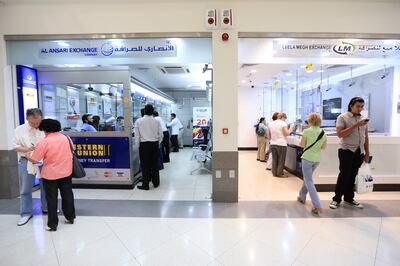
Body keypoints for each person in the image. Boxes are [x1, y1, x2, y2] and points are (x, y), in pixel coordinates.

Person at [27, 119, 76, 231]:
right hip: (66, 172)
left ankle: (52, 224)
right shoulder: (66, 138)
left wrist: (27, 155)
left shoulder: (44, 142)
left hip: (50, 175)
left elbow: (35, 159)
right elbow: (72, 149)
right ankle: (70, 217)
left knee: (51, 199)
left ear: (45, 129)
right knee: (68, 195)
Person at [330, 97, 370, 210]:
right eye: (358, 106)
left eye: (362, 106)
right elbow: (340, 134)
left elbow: (365, 136)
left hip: (359, 152)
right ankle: (336, 199)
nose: (360, 109)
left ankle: (349, 198)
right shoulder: (342, 117)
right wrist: (356, 125)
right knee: (344, 175)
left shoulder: (363, 118)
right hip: (346, 151)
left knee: (353, 175)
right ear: (351, 105)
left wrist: (367, 152)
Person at [13, 108, 47, 226]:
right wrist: (28, 150)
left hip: (44, 161)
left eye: (38, 122)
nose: (36, 125)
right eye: (33, 123)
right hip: (26, 160)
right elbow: (15, 146)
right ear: (27, 119)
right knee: (25, 189)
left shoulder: (45, 127)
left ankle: (46, 207)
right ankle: (26, 213)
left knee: (46, 186)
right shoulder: (19, 129)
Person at [297, 113, 327, 215]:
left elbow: (301, 145)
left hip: (307, 158)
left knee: (309, 180)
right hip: (317, 159)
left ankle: (317, 206)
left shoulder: (306, 131)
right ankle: (301, 196)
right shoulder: (323, 132)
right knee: (307, 178)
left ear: (309, 121)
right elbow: (323, 147)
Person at [135, 104, 163, 190]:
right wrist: (158, 143)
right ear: (152, 112)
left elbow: (137, 136)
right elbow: (161, 134)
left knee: (145, 165)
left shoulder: (139, 121)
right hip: (154, 144)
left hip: (144, 145)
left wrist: (138, 146)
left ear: (144, 111)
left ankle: (145, 185)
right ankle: (156, 183)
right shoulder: (156, 121)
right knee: (155, 164)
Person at [268, 112, 290, 177]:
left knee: (274, 159)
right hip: (281, 144)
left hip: (273, 143)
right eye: (285, 118)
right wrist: (290, 130)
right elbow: (286, 133)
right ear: (283, 117)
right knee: (281, 159)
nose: (285, 120)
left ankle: (274, 173)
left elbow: (268, 136)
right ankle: (280, 173)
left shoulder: (271, 123)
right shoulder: (283, 123)